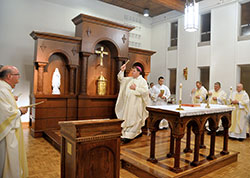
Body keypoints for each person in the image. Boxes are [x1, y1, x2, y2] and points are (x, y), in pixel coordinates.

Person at [0, 65, 28, 178]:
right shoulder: (2, 90)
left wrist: (12, 97)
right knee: (6, 159)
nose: (19, 77)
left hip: (10, 131)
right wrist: (20, 112)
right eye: (17, 75)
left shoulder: (5, 89)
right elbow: (5, 113)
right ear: (9, 76)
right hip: (6, 133)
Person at [115, 63, 149, 144]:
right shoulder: (130, 79)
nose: (132, 72)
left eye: (134, 71)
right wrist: (122, 70)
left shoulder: (142, 81)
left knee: (135, 119)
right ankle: (132, 133)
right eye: (132, 71)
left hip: (136, 105)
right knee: (128, 118)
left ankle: (130, 135)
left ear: (138, 72)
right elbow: (121, 79)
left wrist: (136, 88)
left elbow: (145, 92)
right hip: (128, 104)